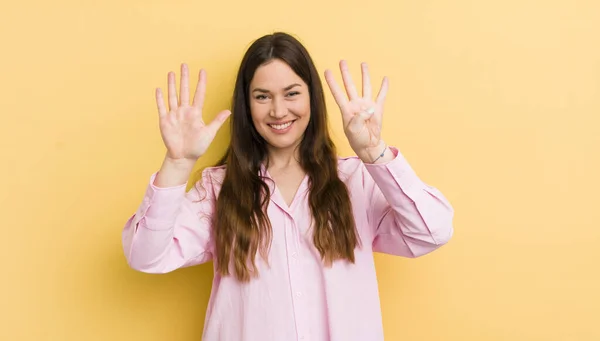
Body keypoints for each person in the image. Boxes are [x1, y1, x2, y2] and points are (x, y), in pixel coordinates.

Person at [122, 32, 454, 341]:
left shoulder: (357, 180)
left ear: (312, 96)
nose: (279, 111)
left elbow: (431, 232)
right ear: (246, 105)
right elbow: (147, 256)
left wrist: (374, 152)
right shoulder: (218, 188)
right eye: (262, 96)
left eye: (292, 93)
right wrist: (177, 164)